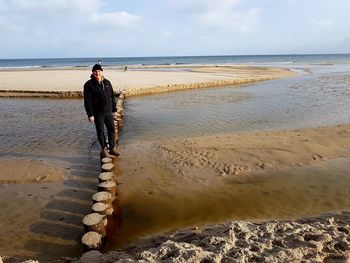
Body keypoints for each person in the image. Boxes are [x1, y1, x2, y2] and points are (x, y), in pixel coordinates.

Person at [84, 64, 119, 157]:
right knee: (100, 131)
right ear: (92, 73)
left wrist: (114, 109)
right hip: (97, 113)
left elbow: (112, 97)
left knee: (111, 129)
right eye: (95, 71)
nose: (97, 73)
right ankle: (104, 149)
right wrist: (90, 114)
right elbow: (87, 101)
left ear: (102, 72)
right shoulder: (88, 85)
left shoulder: (107, 82)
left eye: (99, 71)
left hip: (108, 112)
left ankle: (112, 148)